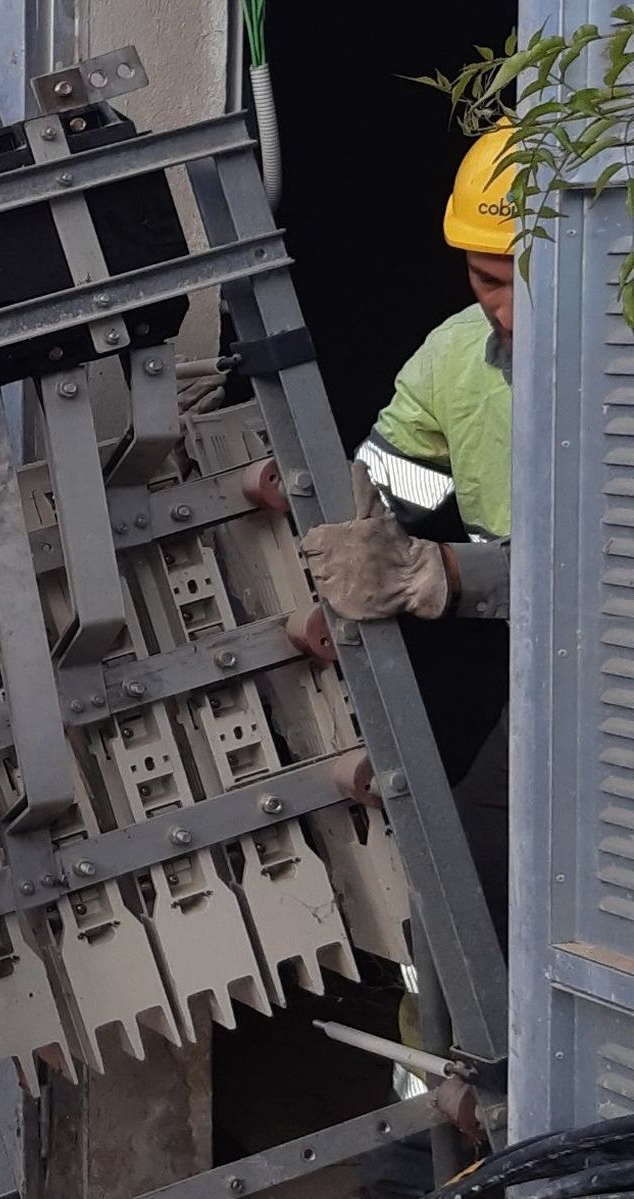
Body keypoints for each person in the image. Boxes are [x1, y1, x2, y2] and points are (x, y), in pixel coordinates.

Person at [301, 127, 516, 1197]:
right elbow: (380, 492)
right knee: (456, 880)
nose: (507, 308)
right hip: (552, 692)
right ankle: (434, 1136)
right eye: (487, 278)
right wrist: (327, 575)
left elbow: (605, 576)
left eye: (528, 277)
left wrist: (443, 576)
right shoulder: (451, 360)